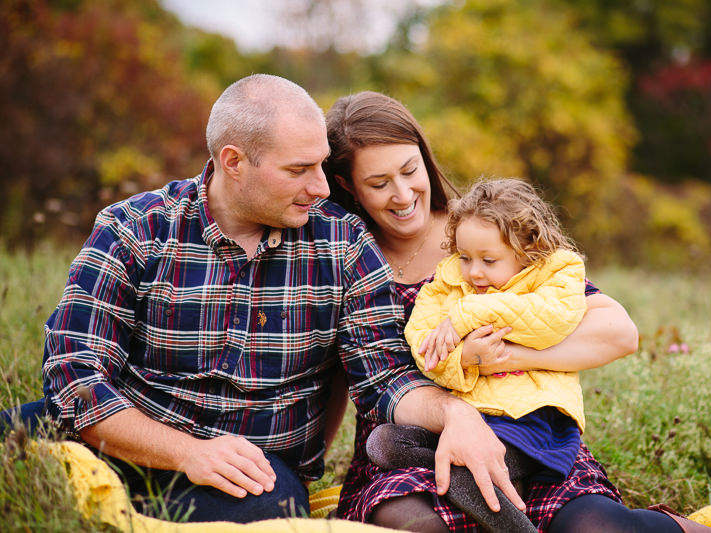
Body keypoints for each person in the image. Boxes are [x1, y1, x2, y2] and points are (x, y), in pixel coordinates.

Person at [21, 74, 527, 524]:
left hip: (254, 472)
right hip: (126, 433)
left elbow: (386, 380)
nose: (321, 188)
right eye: (298, 170)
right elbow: (74, 374)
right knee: (15, 437)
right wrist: (186, 453)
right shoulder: (135, 229)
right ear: (234, 162)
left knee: (272, 515)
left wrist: (456, 415)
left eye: (323, 167)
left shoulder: (343, 243)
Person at [324, 90, 711, 533]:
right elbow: (342, 378)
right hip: (412, 442)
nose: (402, 194)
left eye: (410, 170)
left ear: (424, 155)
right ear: (346, 185)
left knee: (598, 529)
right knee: (416, 527)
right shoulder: (346, 255)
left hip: (527, 427)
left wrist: (505, 356)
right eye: (379, 184)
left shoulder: (485, 229)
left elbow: (617, 332)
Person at [367, 178, 590, 533]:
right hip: (473, 418)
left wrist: (468, 315)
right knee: (383, 442)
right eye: (465, 257)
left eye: (489, 260)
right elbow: (424, 346)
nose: (473, 272)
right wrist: (464, 358)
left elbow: (554, 321)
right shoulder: (447, 280)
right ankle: (465, 458)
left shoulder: (556, 271)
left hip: (532, 418)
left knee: (463, 476)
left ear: (526, 247)